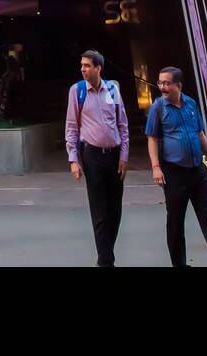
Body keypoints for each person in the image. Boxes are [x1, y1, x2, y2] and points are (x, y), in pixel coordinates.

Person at [147, 67, 207, 268]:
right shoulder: (158, 108)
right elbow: (152, 138)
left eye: (166, 83)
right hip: (174, 173)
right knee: (176, 223)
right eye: (160, 82)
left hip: (197, 170)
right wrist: (155, 167)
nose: (162, 87)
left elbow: (199, 134)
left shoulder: (191, 104)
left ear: (178, 86)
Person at [66, 49, 130, 267]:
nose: (83, 69)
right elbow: (72, 127)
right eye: (81, 65)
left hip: (115, 156)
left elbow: (123, 124)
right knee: (100, 210)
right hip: (92, 155)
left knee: (115, 209)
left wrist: (124, 155)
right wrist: (74, 159)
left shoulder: (113, 89)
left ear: (98, 68)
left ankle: (106, 255)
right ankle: (106, 261)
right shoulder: (77, 91)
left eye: (87, 65)